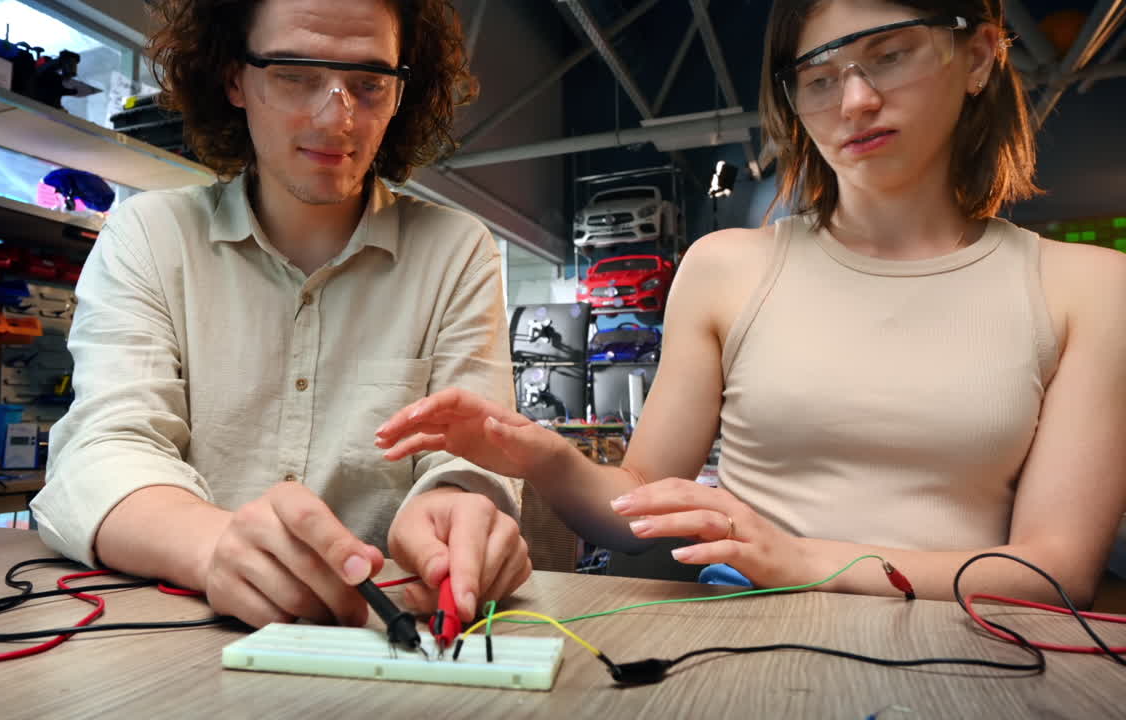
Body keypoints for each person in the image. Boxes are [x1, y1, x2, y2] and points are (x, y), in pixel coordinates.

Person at [376, 0, 1126, 607]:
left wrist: (803, 558)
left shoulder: (1087, 288)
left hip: (965, 652)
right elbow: (637, 508)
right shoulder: (727, 268)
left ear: (980, 56)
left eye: (890, 55)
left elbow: (1055, 571)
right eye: (819, 77)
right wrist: (546, 461)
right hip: (744, 641)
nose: (856, 100)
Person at [31, 0, 532, 630]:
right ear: (234, 78)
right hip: (179, 635)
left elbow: (472, 457)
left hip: (390, 637)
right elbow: (102, 451)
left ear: (403, 90)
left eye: (369, 84)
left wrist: (458, 509)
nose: (337, 116)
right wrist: (214, 546)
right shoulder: (150, 237)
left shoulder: (456, 250)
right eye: (295, 73)